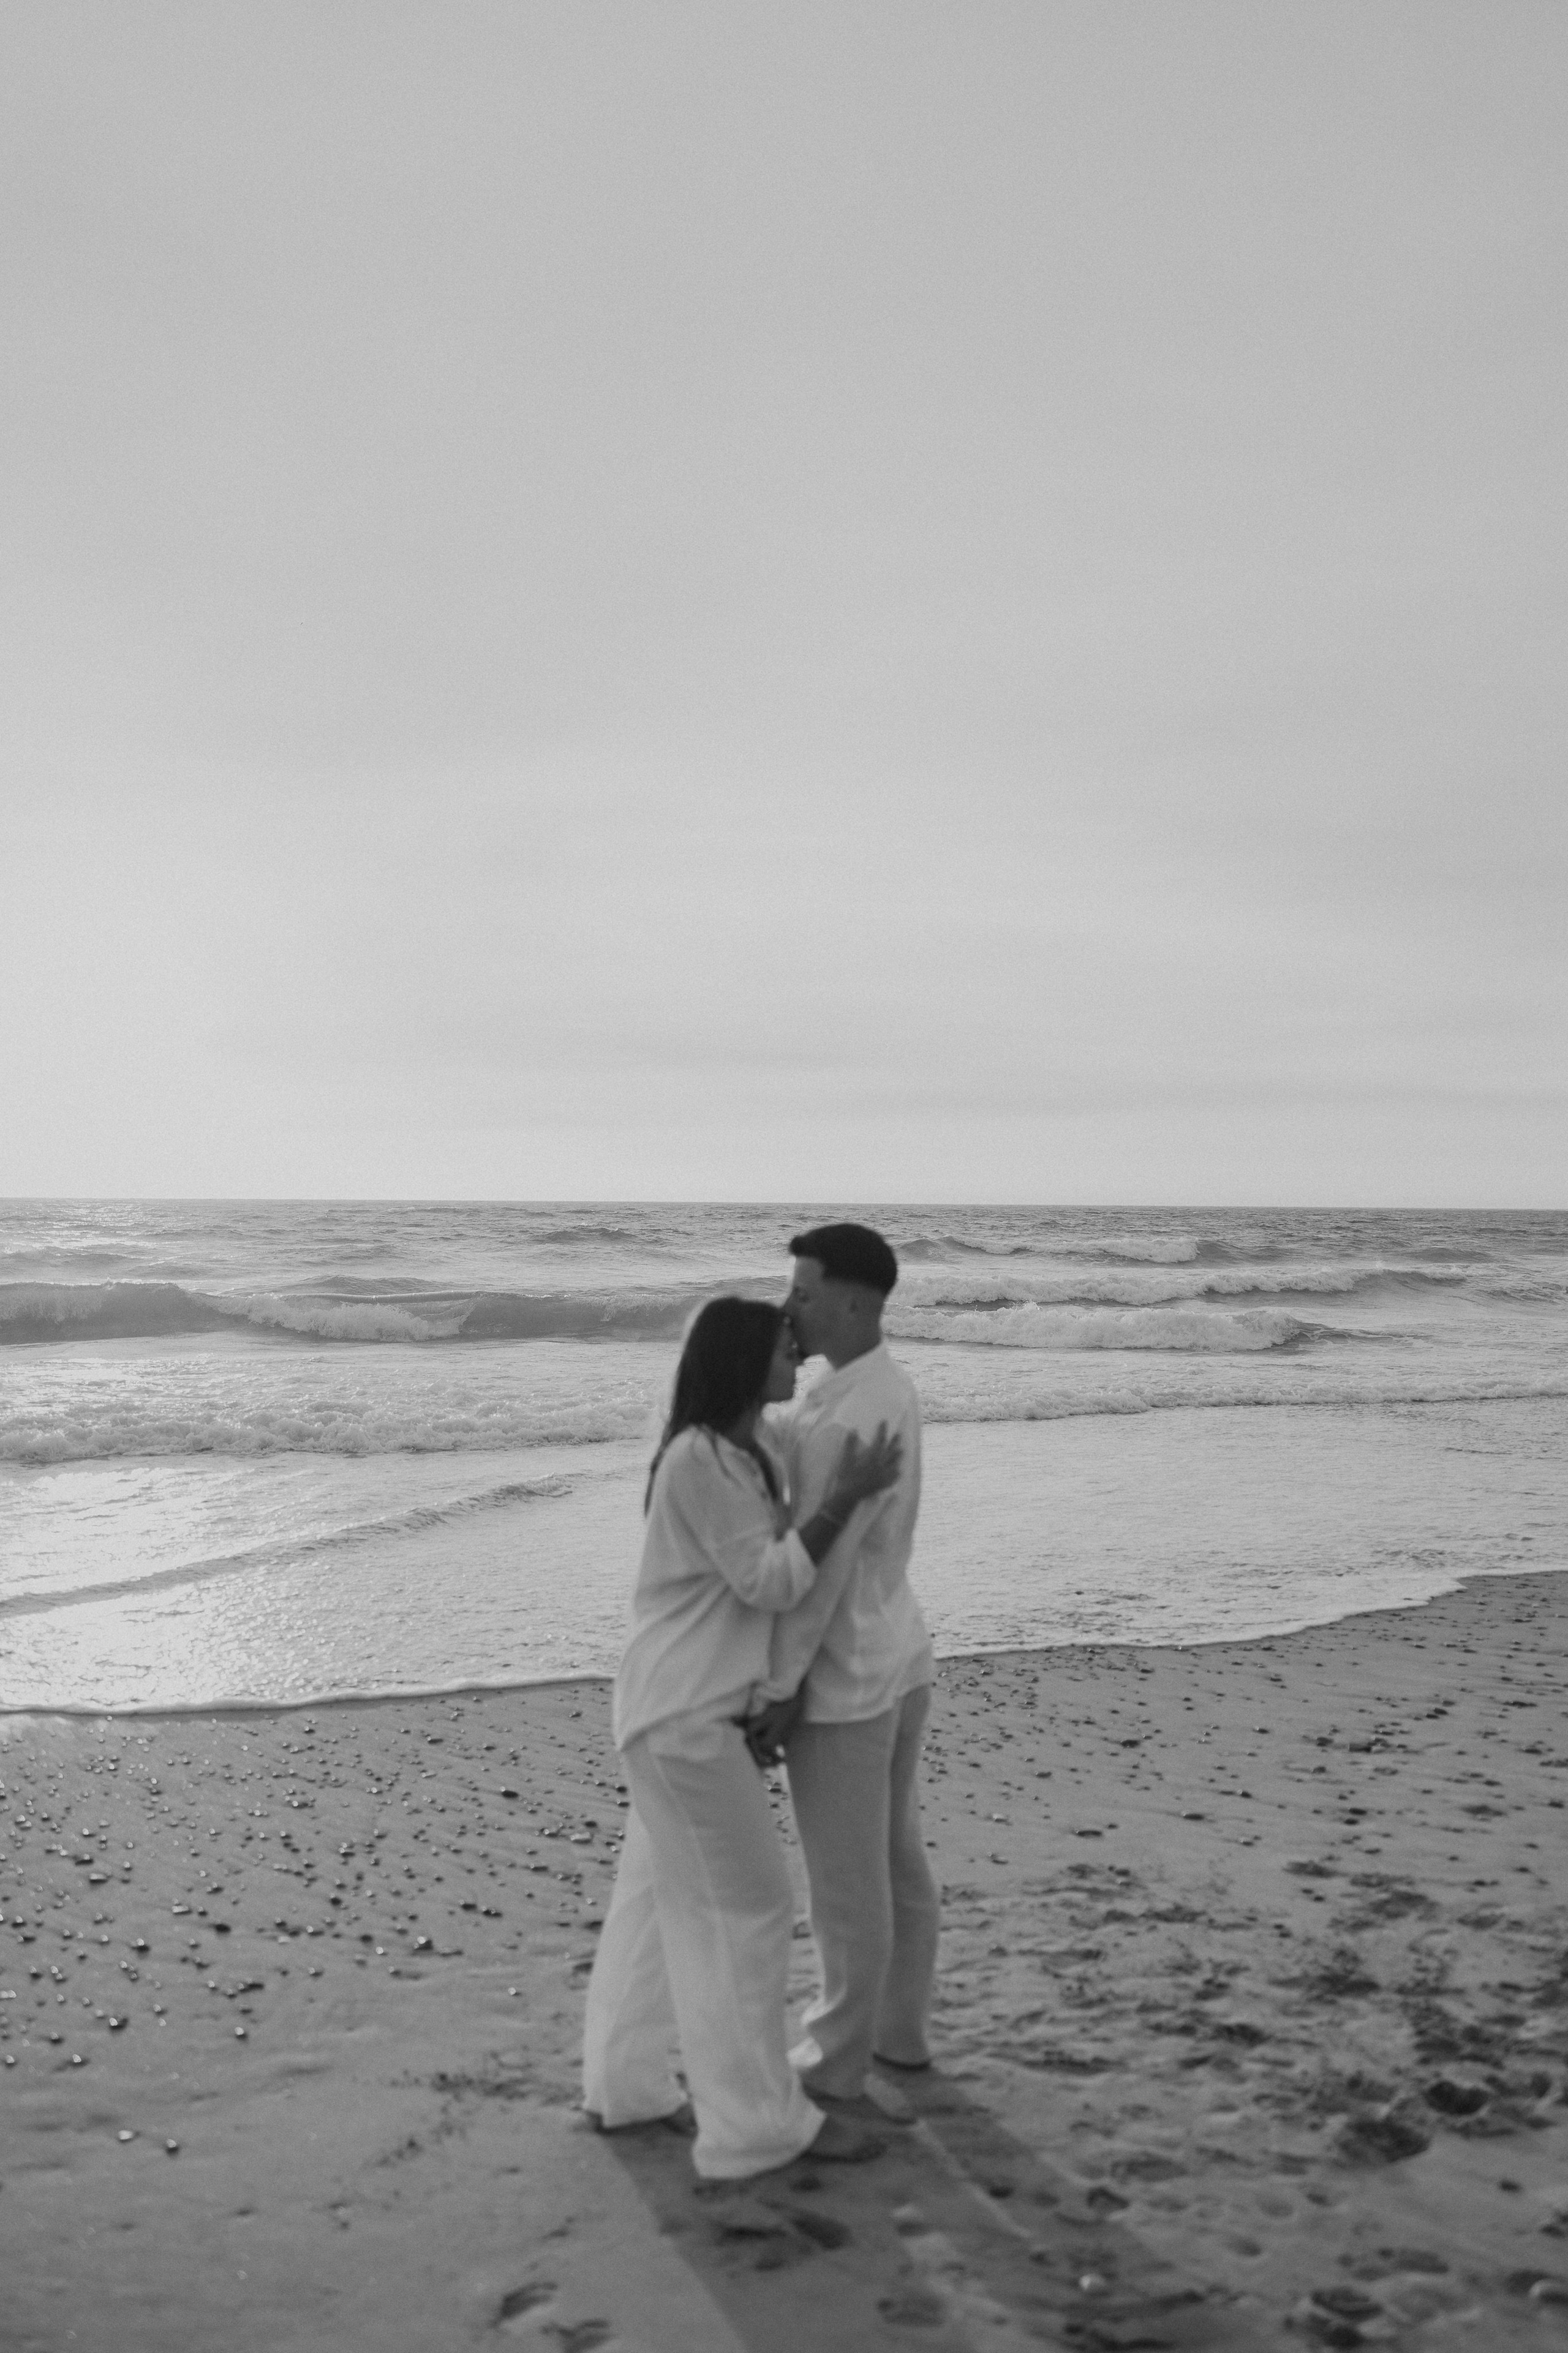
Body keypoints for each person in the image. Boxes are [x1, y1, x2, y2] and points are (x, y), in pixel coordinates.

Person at [581, 1294, 902, 2180]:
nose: (796, 1355)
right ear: (739, 1359)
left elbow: (752, 1596)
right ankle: (754, 2126)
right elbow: (766, 1582)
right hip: (679, 1719)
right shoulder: (697, 1459)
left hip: (686, 1709)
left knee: (656, 1904)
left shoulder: (742, 1451)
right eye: (781, 1344)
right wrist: (844, 1498)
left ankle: (627, 2085)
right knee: (747, 1910)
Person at [746, 1223, 940, 2112]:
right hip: (898, 1651)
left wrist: (780, 1689)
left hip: (851, 1676)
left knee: (846, 1882)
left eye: (806, 1292)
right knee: (895, 1858)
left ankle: (835, 2057)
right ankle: (901, 2031)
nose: (791, 1306)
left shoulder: (856, 1410)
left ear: (857, 1301)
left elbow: (818, 1578)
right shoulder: (872, 1390)